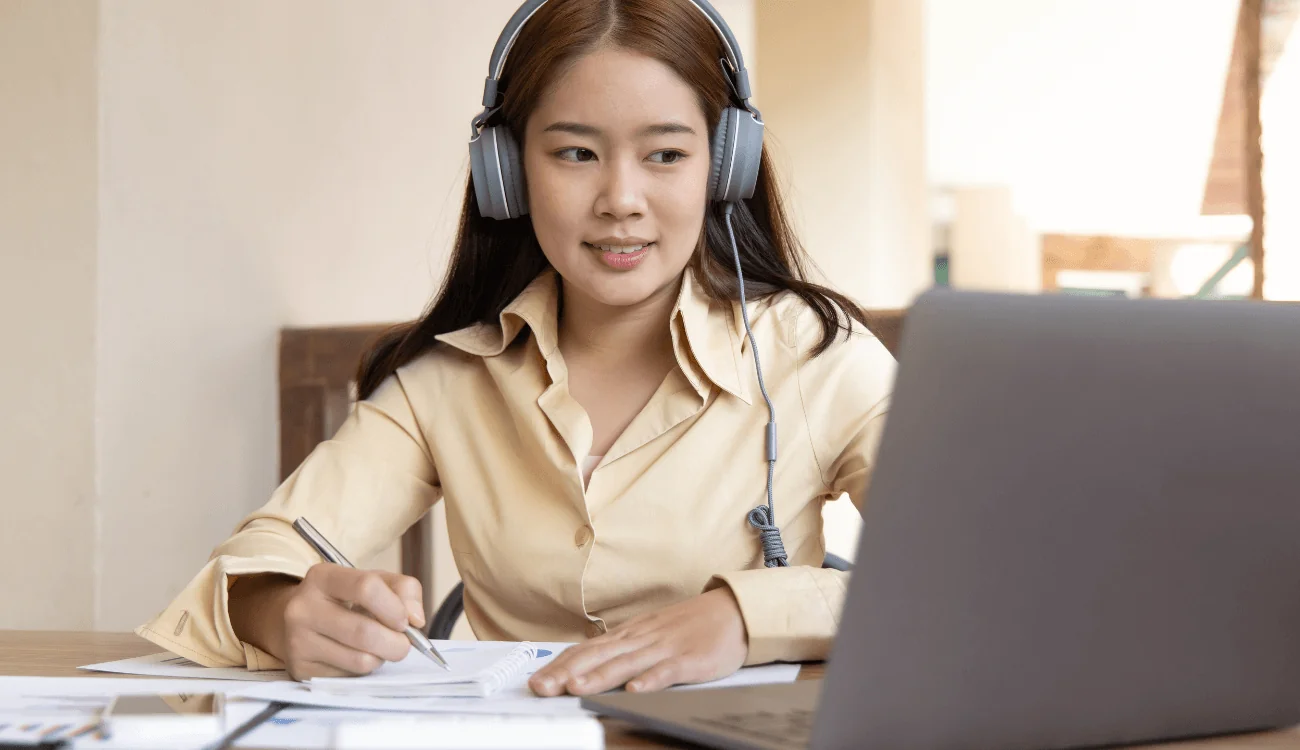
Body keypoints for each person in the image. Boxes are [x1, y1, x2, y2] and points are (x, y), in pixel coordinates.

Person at [136, 0, 894, 698]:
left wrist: (745, 617)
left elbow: (972, 570)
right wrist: (280, 612)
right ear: (508, 173)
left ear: (723, 168)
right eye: (575, 154)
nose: (621, 199)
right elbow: (256, 559)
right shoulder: (447, 382)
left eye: (665, 155)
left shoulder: (819, 359)